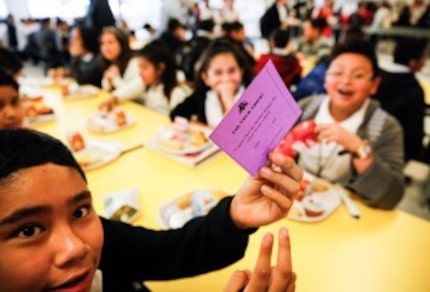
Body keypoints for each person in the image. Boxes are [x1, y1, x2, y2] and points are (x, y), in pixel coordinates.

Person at [0, 128, 302, 291]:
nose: (74, 248)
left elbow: (168, 252)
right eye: (29, 230)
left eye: (79, 211)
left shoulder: (96, 242)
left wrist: (235, 217)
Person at [295, 40, 404, 209]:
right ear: (325, 79)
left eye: (358, 75)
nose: (345, 81)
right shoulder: (306, 107)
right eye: (337, 72)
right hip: (295, 202)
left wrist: (359, 149)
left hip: (347, 213)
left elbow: (392, 196)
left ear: (374, 85)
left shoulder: (385, 127)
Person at [170, 39, 254, 127]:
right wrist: (205, 128)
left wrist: (228, 100)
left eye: (232, 71)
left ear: (241, 71)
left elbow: (238, 132)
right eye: (218, 73)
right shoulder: (203, 95)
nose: (226, 79)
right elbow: (176, 114)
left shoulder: (254, 95)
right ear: (206, 78)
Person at [374, 37, 428, 162]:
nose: (425, 62)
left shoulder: (377, 78)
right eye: (423, 58)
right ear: (412, 62)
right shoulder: (413, 89)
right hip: (395, 151)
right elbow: (414, 132)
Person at [132, 40, 192, 115]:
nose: (140, 73)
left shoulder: (175, 93)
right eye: (140, 67)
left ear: (160, 68)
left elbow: (177, 122)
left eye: (145, 68)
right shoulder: (151, 87)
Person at [98, 26, 145, 109]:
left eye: (110, 42)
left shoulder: (135, 63)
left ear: (122, 44)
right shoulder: (113, 63)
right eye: (102, 43)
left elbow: (135, 94)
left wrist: (115, 79)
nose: (105, 47)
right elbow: (106, 89)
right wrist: (108, 79)